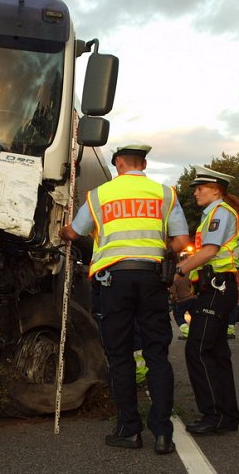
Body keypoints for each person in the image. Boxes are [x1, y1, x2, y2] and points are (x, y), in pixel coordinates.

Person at [60, 144, 189, 454]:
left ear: (118, 163)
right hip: (151, 278)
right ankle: (162, 433)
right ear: (143, 163)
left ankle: (129, 430)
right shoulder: (165, 194)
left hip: (112, 280)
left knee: (120, 356)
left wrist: (63, 233)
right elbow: (182, 241)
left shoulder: (98, 196)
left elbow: (75, 233)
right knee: (157, 354)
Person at [174, 165, 239, 435]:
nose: (196, 193)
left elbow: (210, 251)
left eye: (200, 188)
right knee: (217, 352)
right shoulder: (214, 213)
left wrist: (180, 270)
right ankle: (227, 416)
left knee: (198, 349)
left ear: (216, 189)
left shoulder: (219, 213)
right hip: (217, 287)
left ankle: (213, 415)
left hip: (218, 287)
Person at [169, 253, 194, 339]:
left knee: (178, 316)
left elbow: (172, 289)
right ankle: (198, 332)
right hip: (193, 298)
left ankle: (187, 333)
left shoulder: (175, 274)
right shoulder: (188, 271)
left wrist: (173, 297)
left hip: (181, 300)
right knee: (195, 316)